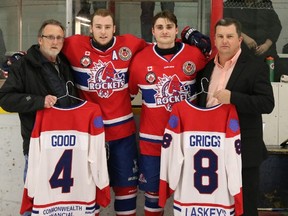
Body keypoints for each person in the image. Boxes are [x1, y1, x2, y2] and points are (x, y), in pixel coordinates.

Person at [62, 9, 147, 216]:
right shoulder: (73, 45)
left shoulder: (130, 44)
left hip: (123, 135)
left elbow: (161, 49)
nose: (103, 32)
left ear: (114, 29)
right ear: (90, 29)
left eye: (107, 27)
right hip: (91, 135)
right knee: (89, 190)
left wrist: (188, 36)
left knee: (126, 190)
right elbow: (50, 46)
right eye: (98, 27)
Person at [129, 10, 208, 215]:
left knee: (188, 193)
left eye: (169, 27)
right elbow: (128, 93)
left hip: (186, 137)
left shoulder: (194, 55)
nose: (165, 31)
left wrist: (193, 34)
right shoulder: (139, 60)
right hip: (152, 138)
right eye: (160, 27)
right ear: (153, 31)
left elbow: (215, 60)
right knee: (153, 194)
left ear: (175, 30)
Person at [196, 18, 274, 216]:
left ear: (239, 40)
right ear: (214, 39)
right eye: (220, 36)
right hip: (212, 150)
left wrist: (234, 98)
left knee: (245, 207)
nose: (225, 41)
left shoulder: (255, 66)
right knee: (217, 207)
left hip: (244, 152)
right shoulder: (207, 69)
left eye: (230, 36)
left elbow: (267, 103)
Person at [0, 19, 79, 215]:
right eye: (50, 37)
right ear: (40, 39)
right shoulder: (24, 65)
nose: (55, 42)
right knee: (34, 200)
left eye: (59, 38)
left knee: (59, 204)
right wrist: (38, 101)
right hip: (38, 146)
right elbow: (5, 98)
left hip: (65, 146)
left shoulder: (65, 63)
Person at [224, 0, 283, 80]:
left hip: (265, 53)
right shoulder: (231, 4)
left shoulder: (264, 3)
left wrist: (267, 45)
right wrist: (243, 37)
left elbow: (276, 26)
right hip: (241, 53)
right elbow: (226, 25)